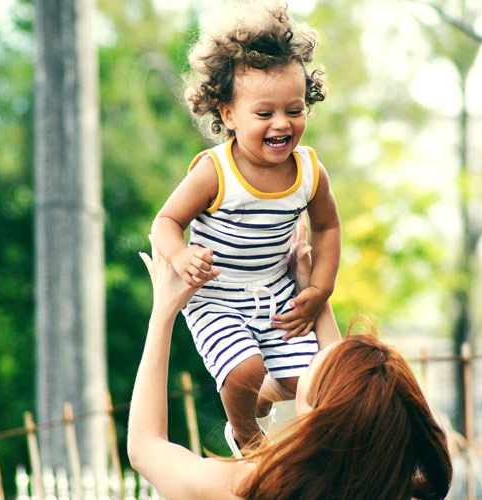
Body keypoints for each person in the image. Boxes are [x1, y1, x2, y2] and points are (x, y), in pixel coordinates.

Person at [150, 0, 341, 454]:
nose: (282, 123)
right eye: (264, 114)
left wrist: (319, 289)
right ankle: (247, 437)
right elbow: (165, 221)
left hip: (275, 291)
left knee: (305, 381)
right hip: (217, 295)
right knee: (243, 371)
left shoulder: (310, 171)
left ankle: (264, 397)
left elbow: (328, 228)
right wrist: (180, 255)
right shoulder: (215, 172)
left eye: (294, 110)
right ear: (229, 114)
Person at [127, 245, 453, 500]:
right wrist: (311, 292)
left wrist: (164, 311)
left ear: (315, 415)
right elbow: (346, 398)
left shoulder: (249, 488)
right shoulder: (396, 490)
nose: (312, 355)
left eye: (313, 363)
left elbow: (145, 447)